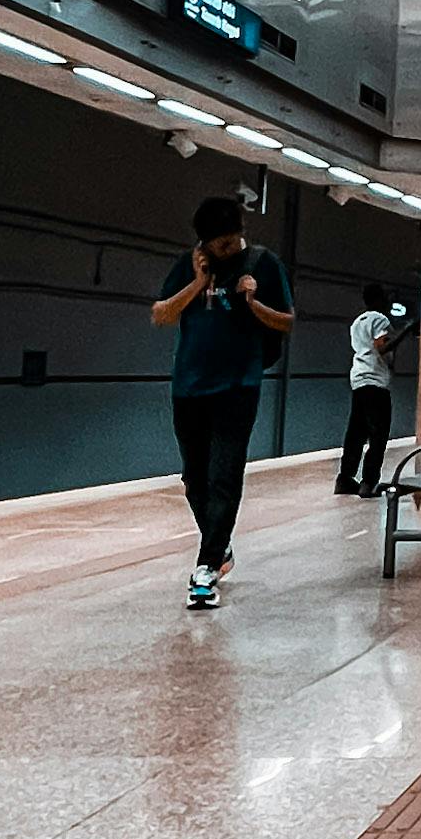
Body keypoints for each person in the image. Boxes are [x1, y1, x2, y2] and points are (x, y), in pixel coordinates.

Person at [149, 193, 294, 607]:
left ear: (240, 234)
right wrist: (196, 284)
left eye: (230, 242)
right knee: (194, 479)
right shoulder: (192, 263)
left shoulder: (263, 263)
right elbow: (160, 314)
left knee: (224, 475)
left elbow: (287, 320)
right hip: (189, 385)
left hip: (238, 385)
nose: (224, 250)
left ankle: (206, 567)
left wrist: (253, 302)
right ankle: (221, 548)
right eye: (216, 244)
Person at [337, 299, 409, 497]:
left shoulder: (358, 321)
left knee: (356, 432)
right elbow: (382, 346)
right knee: (378, 435)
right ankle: (368, 482)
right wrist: (405, 331)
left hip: (358, 379)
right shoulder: (380, 319)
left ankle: (344, 479)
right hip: (375, 381)